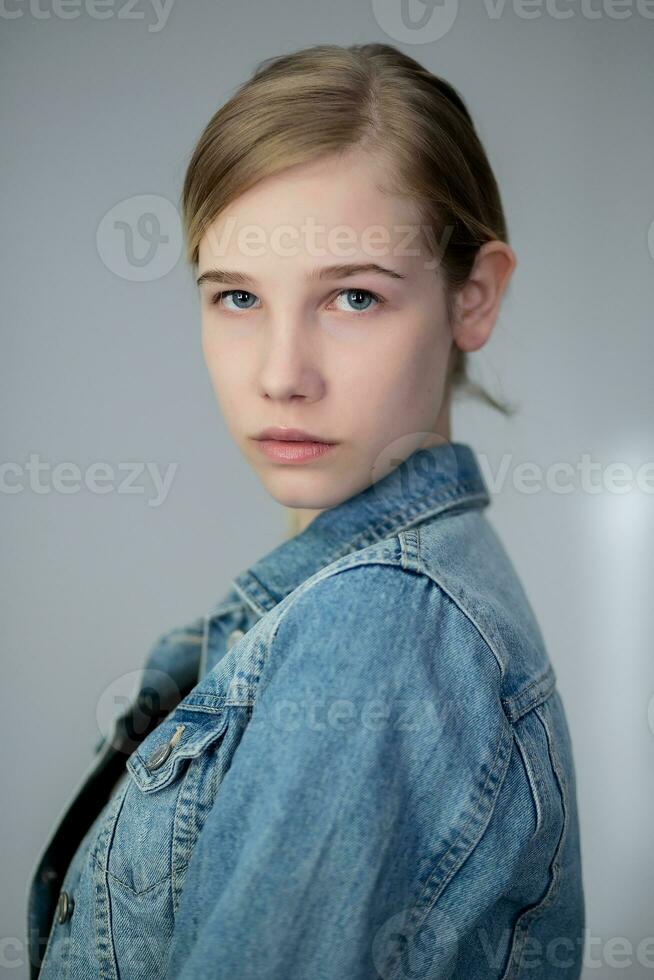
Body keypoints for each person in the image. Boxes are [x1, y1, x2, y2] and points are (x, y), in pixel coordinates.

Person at [27, 42, 585, 979]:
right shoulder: (348, 601)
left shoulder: (386, 622)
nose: (282, 376)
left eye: (353, 296)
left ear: (472, 297)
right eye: (238, 296)